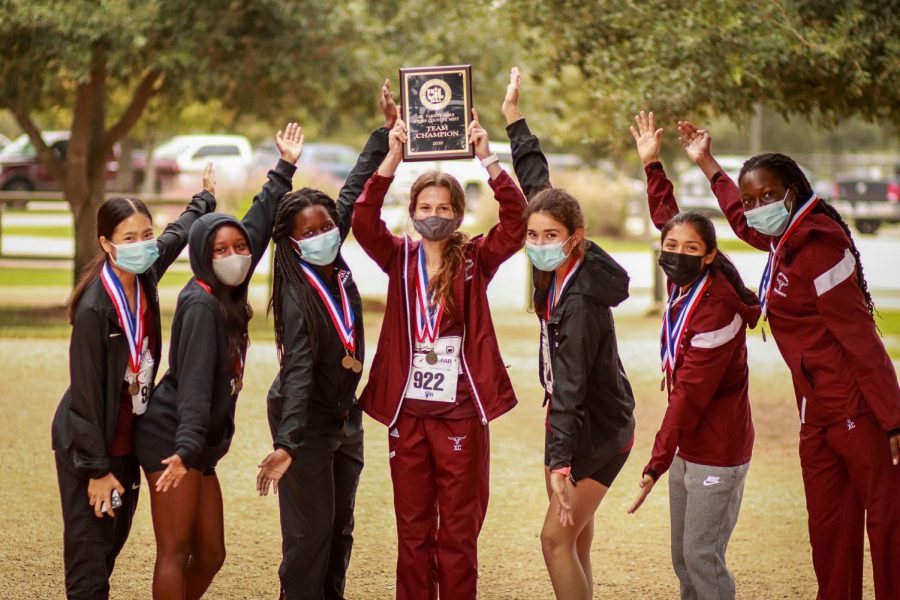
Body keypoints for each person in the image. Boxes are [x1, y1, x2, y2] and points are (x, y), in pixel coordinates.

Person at [678, 120, 900, 600]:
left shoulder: (819, 246)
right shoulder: (783, 238)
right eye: (752, 198)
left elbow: (861, 339)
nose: (757, 208)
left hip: (857, 410)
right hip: (815, 412)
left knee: (887, 529)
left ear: (793, 193)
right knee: (829, 534)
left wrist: (893, 420)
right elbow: (741, 218)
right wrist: (708, 163)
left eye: (767, 197)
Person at [351, 108, 526, 599]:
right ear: (412, 211)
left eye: (444, 207)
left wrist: (488, 158)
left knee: (457, 533)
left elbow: (516, 222)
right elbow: (362, 220)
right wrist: (392, 159)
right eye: (426, 206)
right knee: (413, 532)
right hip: (407, 413)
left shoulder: (475, 257)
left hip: (460, 413)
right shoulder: (397, 257)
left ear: (458, 213)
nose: (434, 215)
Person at [132, 123, 303, 600]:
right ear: (204, 257)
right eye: (220, 249)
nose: (233, 254)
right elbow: (192, 385)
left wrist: (283, 168)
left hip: (198, 443)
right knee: (176, 549)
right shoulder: (203, 304)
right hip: (173, 439)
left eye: (239, 248)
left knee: (212, 553)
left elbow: (258, 224)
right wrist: (186, 452)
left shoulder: (229, 285)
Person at [255, 81, 395, 600]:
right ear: (291, 242)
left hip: (343, 415)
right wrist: (288, 443)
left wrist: (383, 134)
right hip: (305, 422)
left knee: (340, 531)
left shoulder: (334, 262)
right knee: (308, 538)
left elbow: (353, 192)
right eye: (308, 232)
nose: (321, 235)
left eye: (326, 227)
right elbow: (295, 374)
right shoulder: (297, 294)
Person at [503, 66, 635, 600]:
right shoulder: (558, 265)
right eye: (532, 235)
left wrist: (559, 460)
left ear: (576, 239)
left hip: (595, 429)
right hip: (579, 421)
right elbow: (540, 189)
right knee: (575, 539)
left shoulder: (580, 297)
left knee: (554, 540)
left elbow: (573, 385)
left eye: (549, 236)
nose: (538, 242)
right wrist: (515, 121)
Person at [51, 172, 216, 599]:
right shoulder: (94, 309)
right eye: (129, 237)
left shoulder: (143, 273)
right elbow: (86, 396)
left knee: (110, 548)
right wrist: (96, 471)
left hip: (128, 442)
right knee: (90, 560)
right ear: (107, 244)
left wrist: (204, 200)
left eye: (146, 234)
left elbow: (177, 236)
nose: (142, 244)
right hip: (94, 448)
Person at [626, 111, 759, 600]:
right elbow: (668, 217)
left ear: (707, 256)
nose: (675, 252)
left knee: (703, 559)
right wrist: (652, 164)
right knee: (684, 559)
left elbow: (690, 397)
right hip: (687, 446)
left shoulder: (718, 309)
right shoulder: (685, 276)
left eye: (689, 248)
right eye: (670, 247)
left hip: (716, 451)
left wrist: (654, 463)